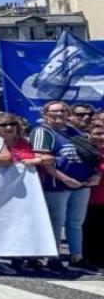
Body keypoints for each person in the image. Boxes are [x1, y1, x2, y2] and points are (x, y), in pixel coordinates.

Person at [31, 100, 100, 270]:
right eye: (54, 112)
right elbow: (44, 161)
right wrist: (64, 178)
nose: (59, 114)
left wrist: (96, 174)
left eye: (62, 111)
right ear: (45, 114)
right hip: (58, 184)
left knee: (76, 221)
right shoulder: (43, 131)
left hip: (83, 183)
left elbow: (92, 155)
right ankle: (53, 256)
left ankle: (76, 256)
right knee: (56, 220)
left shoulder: (73, 130)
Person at [84, 120, 104, 267]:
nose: (101, 137)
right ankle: (89, 259)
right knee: (90, 230)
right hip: (89, 198)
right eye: (97, 134)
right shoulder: (86, 151)